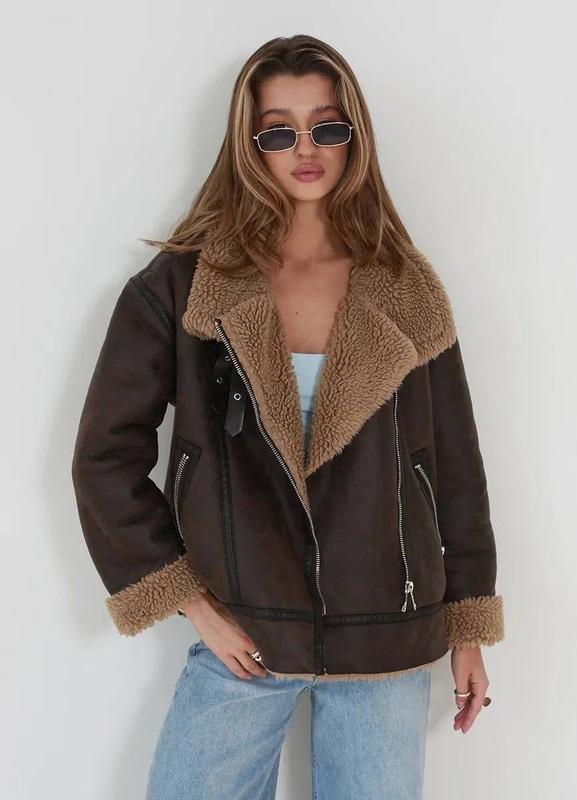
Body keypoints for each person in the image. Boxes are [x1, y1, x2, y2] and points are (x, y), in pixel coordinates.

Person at [71, 34, 505, 799]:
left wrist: (469, 626)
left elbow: (455, 471)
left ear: (353, 136)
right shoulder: (183, 287)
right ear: (250, 144)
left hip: (386, 641)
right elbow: (105, 456)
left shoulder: (405, 287)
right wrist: (193, 604)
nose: (306, 149)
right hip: (245, 637)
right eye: (279, 131)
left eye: (325, 126)